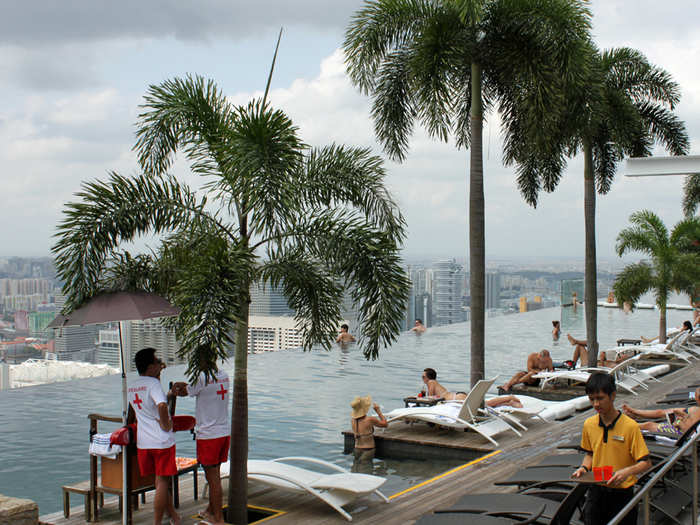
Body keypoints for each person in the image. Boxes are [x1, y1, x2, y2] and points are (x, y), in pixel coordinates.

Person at [572, 373, 651, 525]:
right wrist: (583, 467)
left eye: (600, 398)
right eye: (592, 399)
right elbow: (590, 454)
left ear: (613, 395)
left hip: (622, 493)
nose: (596, 404)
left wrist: (625, 472)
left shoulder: (630, 426)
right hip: (596, 491)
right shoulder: (589, 424)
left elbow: (646, 463)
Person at [128, 348, 180, 525]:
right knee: (163, 482)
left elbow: (147, 406)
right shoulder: (153, 384)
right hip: (162, 441)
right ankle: (157, 522)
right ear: (150, 366)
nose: (161, 364)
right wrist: (166, 425)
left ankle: (173, 516)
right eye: (158, 362)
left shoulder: (133, 385)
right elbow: (162, 406)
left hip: (144, 442)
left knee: (159, 482)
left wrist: (161, 378)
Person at [173, 363, 230, 525]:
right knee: (214, 475)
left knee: (213, 479)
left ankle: (218, 518)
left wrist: (176, 388)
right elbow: (197, 388)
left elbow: (185, 392)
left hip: (208, 436)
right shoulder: (224, 375)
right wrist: (187, 385)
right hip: (224, 432)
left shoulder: (201, 378)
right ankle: (210, 510)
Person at [422, 368, 523, 407]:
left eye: (423, 377)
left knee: (484, 404)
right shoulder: (434, 382)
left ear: (428, 377)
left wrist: (421, 397)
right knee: (484, 405)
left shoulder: (431, 382)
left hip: (456, 399)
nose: (423, 379)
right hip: (457, 396)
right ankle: (508, 403)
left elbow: (430, 399)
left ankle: (510, 397)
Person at [622, 388, 700, 437]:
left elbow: (691, 434)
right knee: (665, 412)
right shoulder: (694, 409)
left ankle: (624, 427)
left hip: (683, 435)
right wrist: (683, 417)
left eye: (695, 396)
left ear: (697, 400)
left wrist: (680, 424)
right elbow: (662, 412)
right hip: (685, 426)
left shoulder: (695, 410)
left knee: (649, 425)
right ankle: (636, 413)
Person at [350, 395, 387, 468]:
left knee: (355, 469)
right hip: (368, 450)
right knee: (366, 471)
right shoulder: (370, 420)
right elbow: (385, 424)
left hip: (357, 449)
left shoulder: (352, 420)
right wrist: (378, 411)